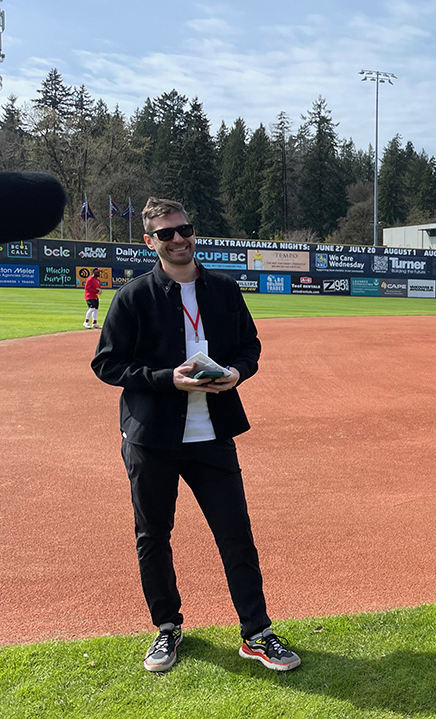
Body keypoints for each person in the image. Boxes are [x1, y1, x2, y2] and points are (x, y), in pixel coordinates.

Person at [91, 197, 300, 674]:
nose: (178, 238)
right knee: (154, 536)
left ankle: (257, 633)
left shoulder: (224, 290)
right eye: (166, 233)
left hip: (212, 435)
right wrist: (168, 379)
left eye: (184, 228)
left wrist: (237, 373)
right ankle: (167, 628)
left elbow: (250, 346)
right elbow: (107, 363)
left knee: (236, 534)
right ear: (150, 242)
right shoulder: (133, 296)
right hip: (152, 438)